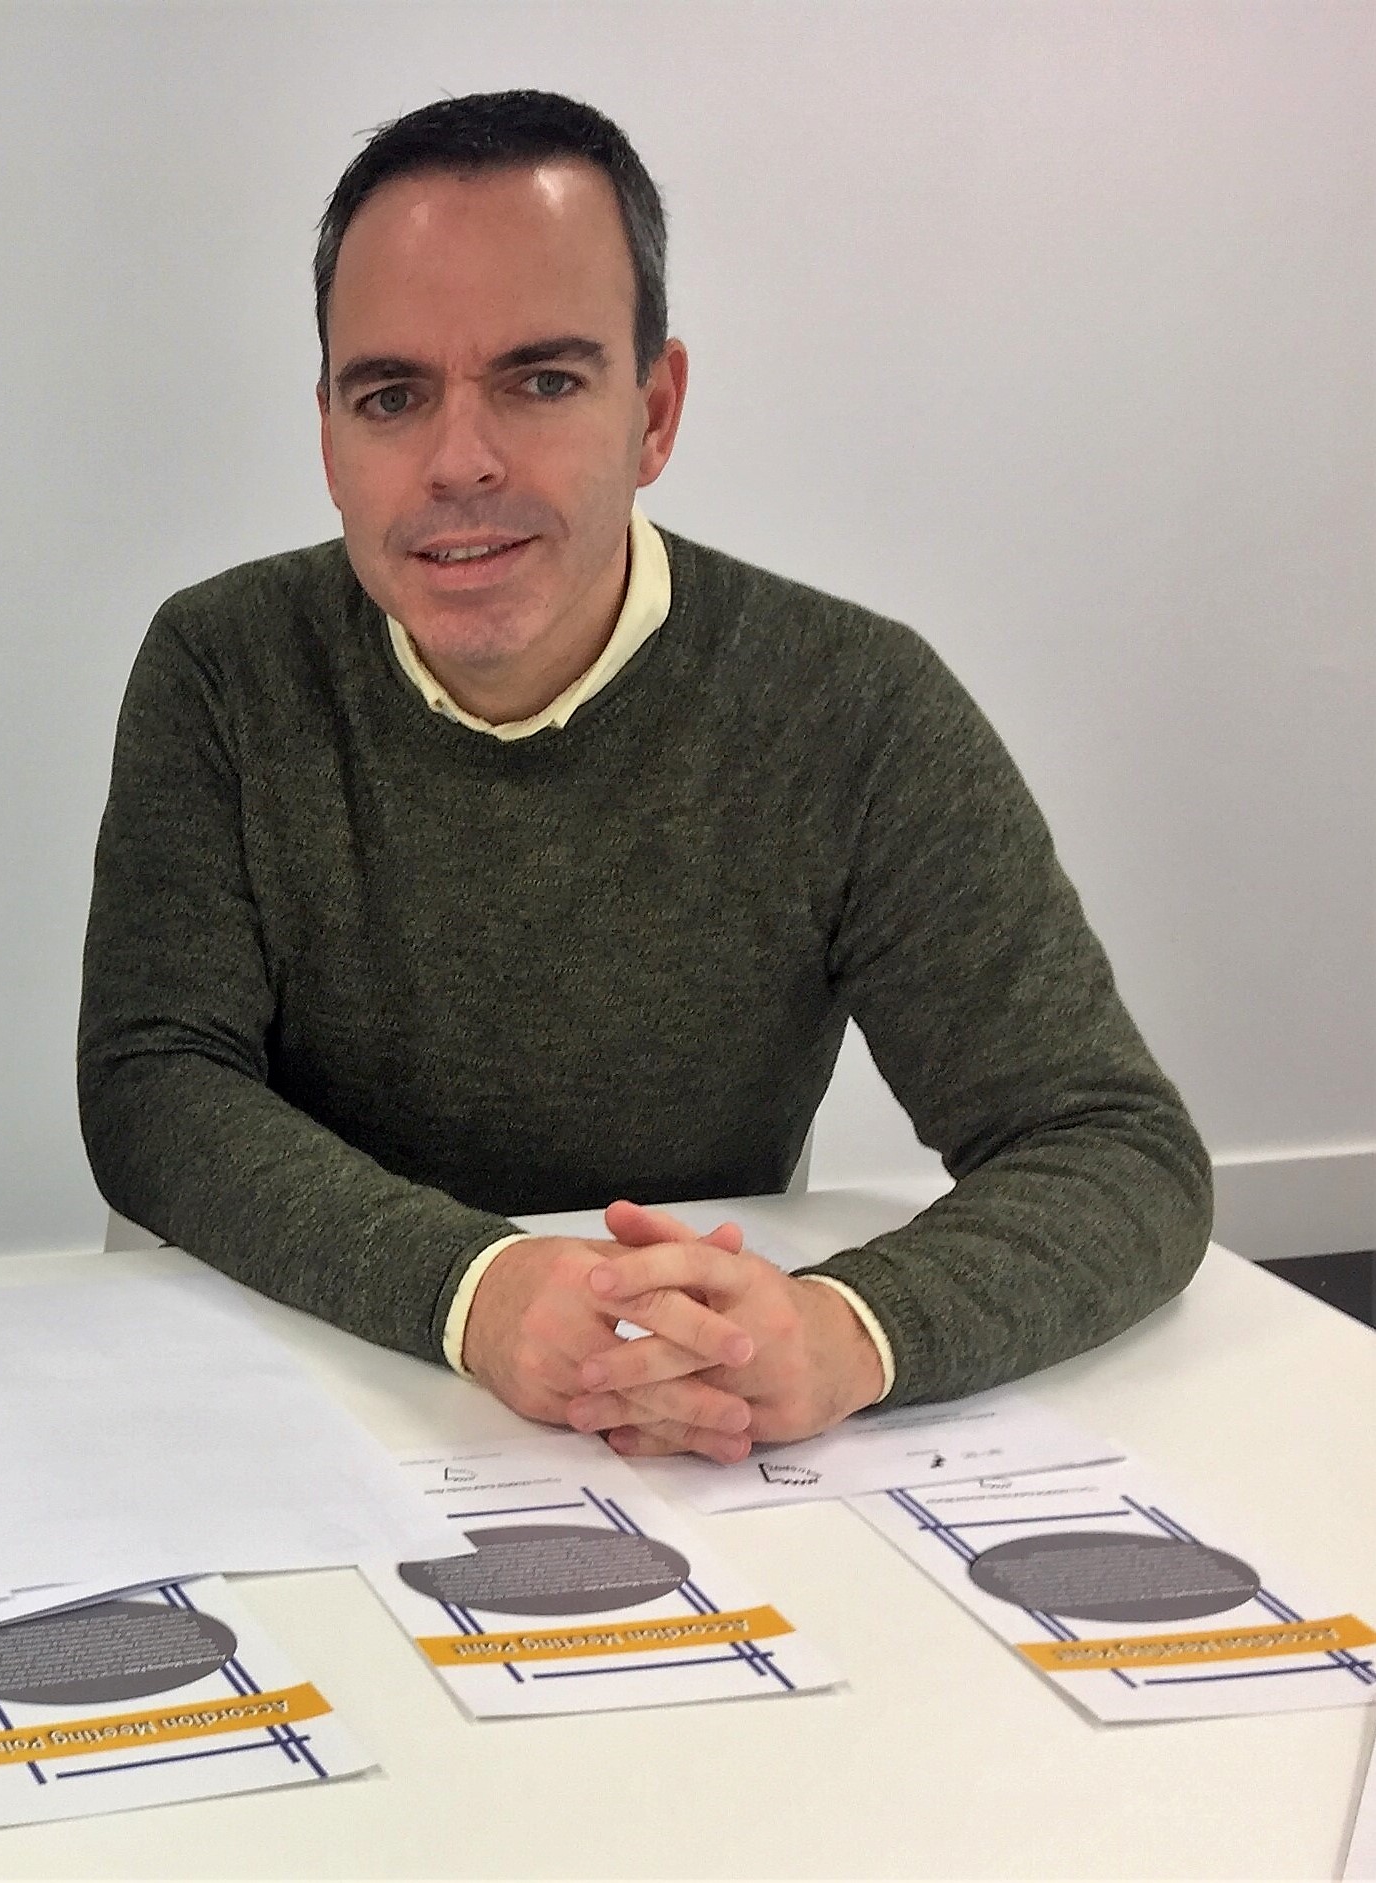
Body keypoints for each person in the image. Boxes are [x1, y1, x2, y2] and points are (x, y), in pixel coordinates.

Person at [77, 90, 1210, 1464]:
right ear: (329, 437)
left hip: (688, 1437)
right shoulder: (224, 664)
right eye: (392, 397)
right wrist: (478, 1293)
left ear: (654, 411)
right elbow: (154, 1087)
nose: (459, 461)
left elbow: (1110, 1146)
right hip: (302, 1383)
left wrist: (842, 1332)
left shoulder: (850, 705)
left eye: (541, 381)